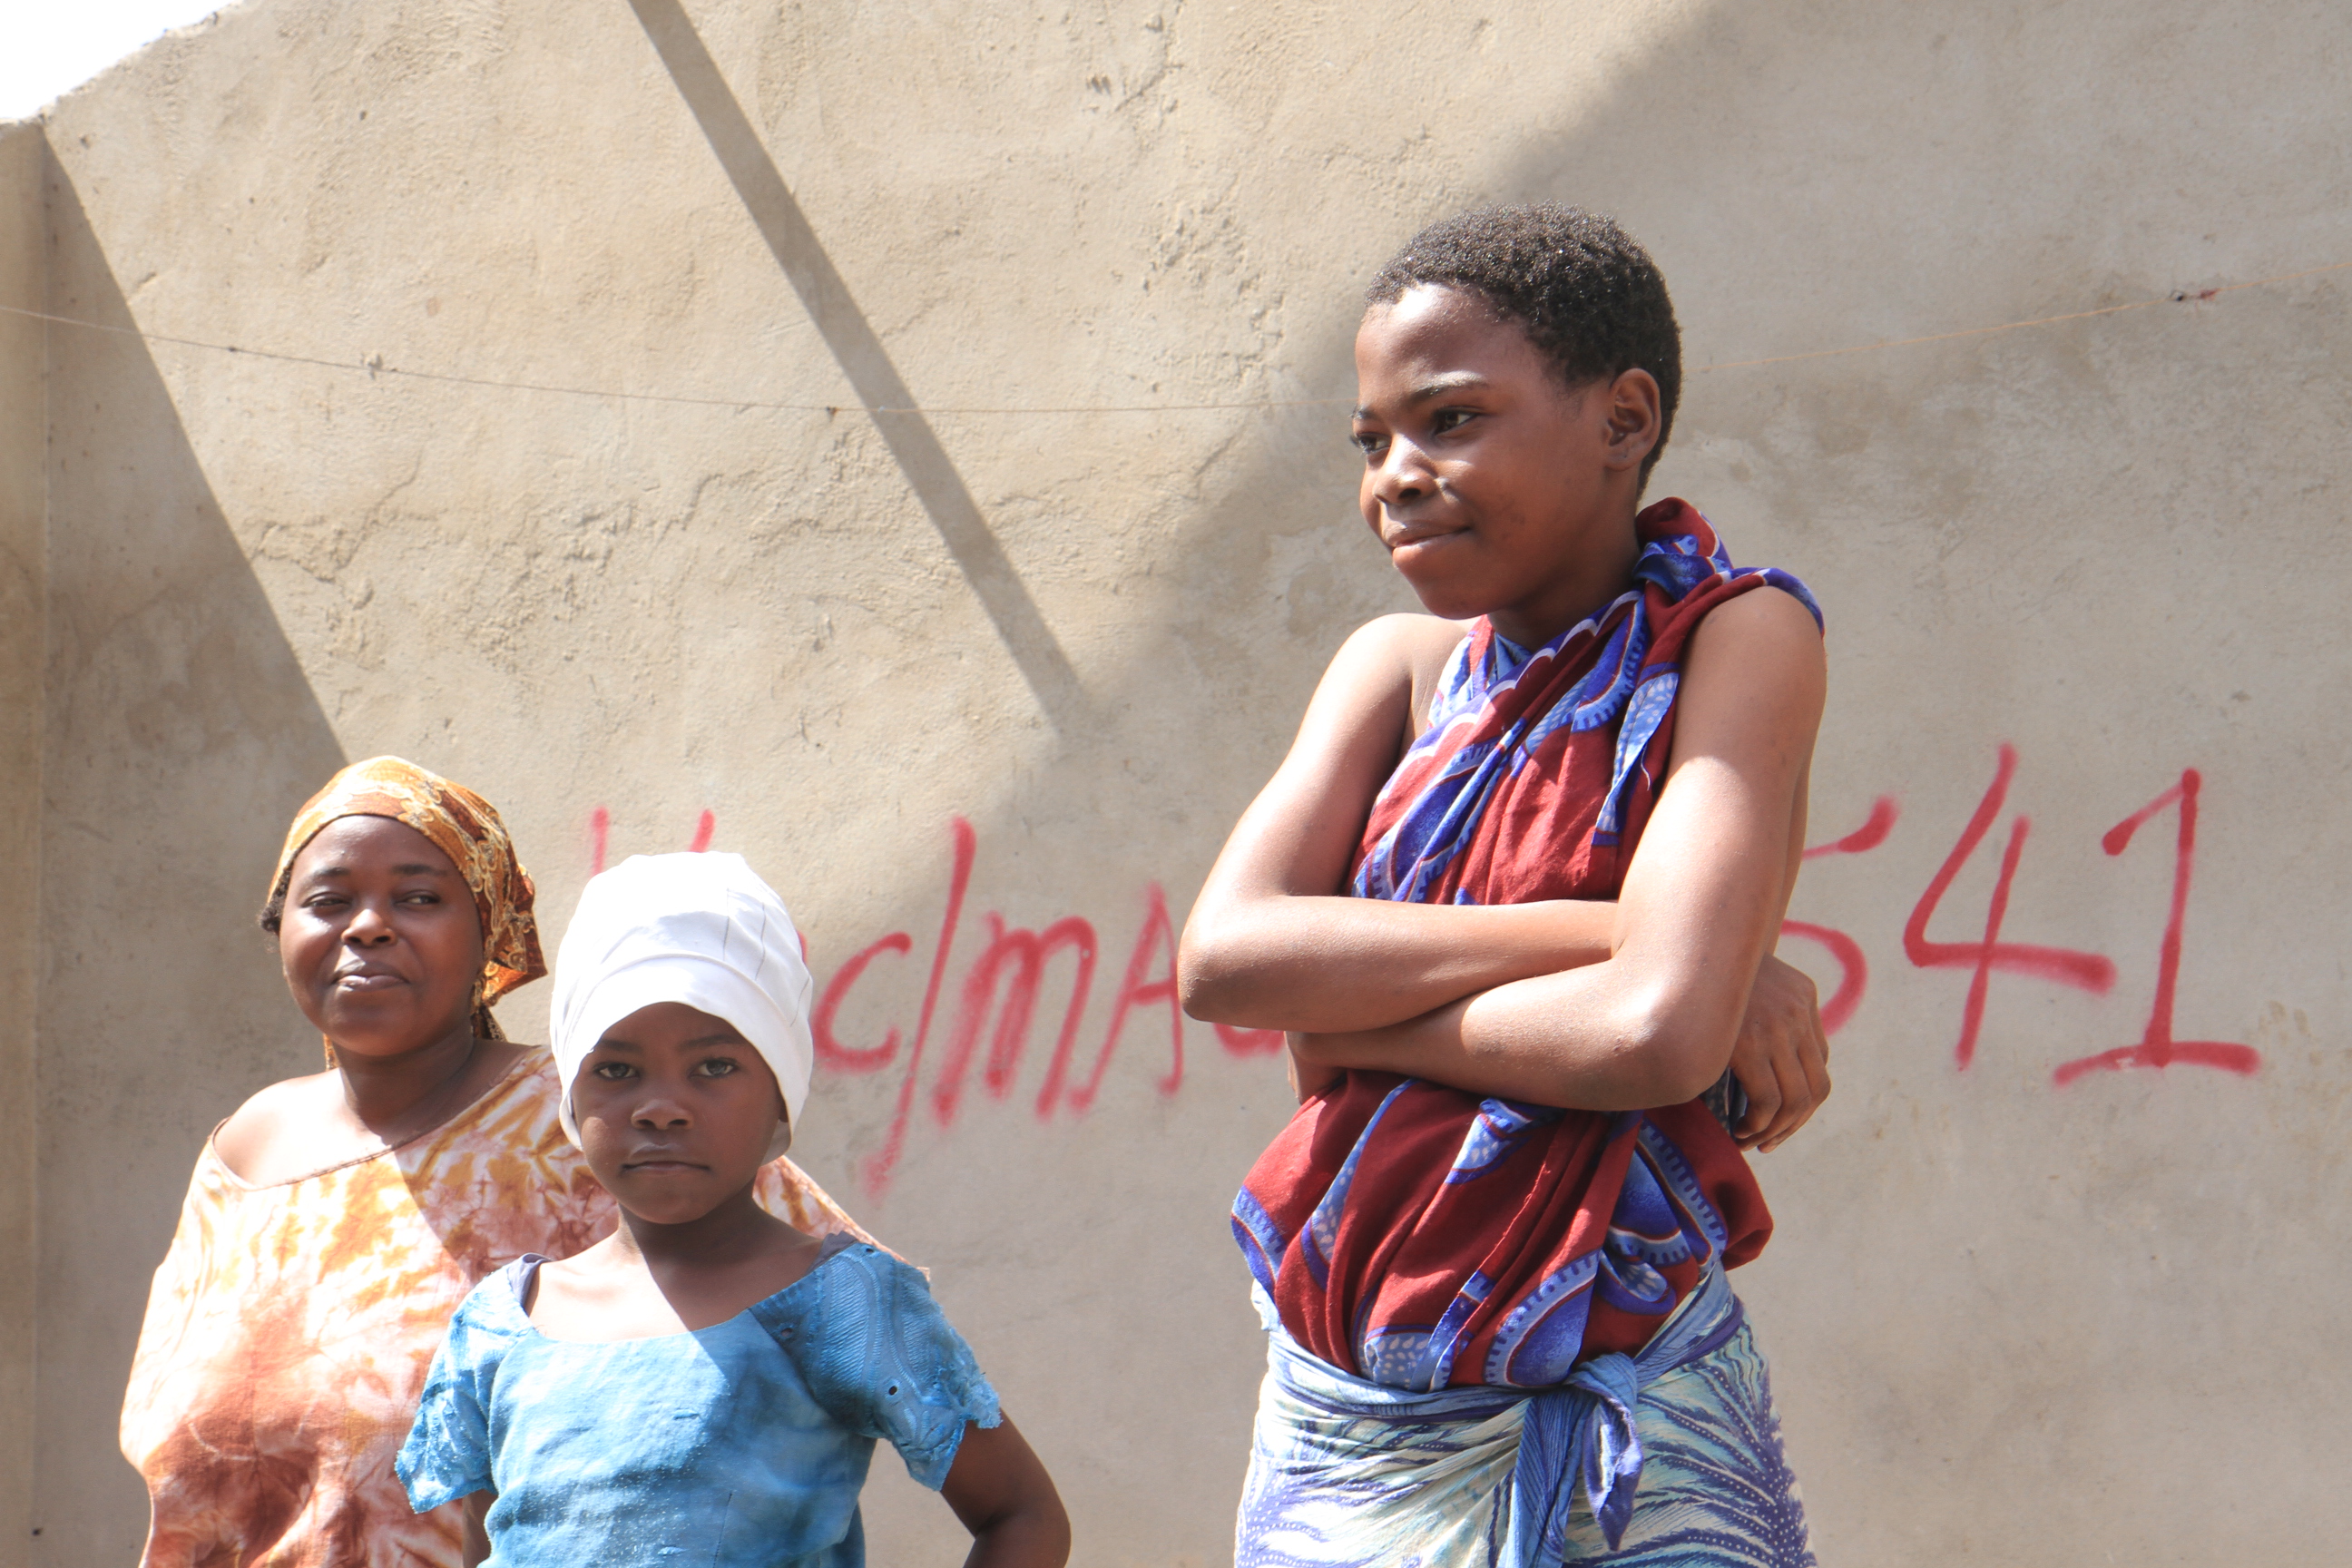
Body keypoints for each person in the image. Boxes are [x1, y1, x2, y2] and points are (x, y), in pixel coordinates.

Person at [1177, 206, 1831, 1566]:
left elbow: (1651, 1034)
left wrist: (1348, 1026)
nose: (1397, 477)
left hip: (1624, 1413)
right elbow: (1225, 960)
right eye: (1371, 442)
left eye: (1451, 420)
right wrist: (1622, 930)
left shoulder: (1740, 640)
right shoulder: (1396, 671)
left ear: (1624, 417)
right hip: (1348, 1405)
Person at [121, 758, 869, 1567]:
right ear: (282, 929)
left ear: (491, 931)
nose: (367, 925)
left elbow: (843, 1318)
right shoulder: (248, 1149)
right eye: (329, 900)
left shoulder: (591, 1115)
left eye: (418, 898)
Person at [397, 851, 1071, 1567]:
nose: (660, 1107)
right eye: (617, 1069)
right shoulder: (500, 1326)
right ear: (572, 1094)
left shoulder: (842, 1304)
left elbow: (1020, 1516)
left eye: (714, 1066)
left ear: (780, 1087)